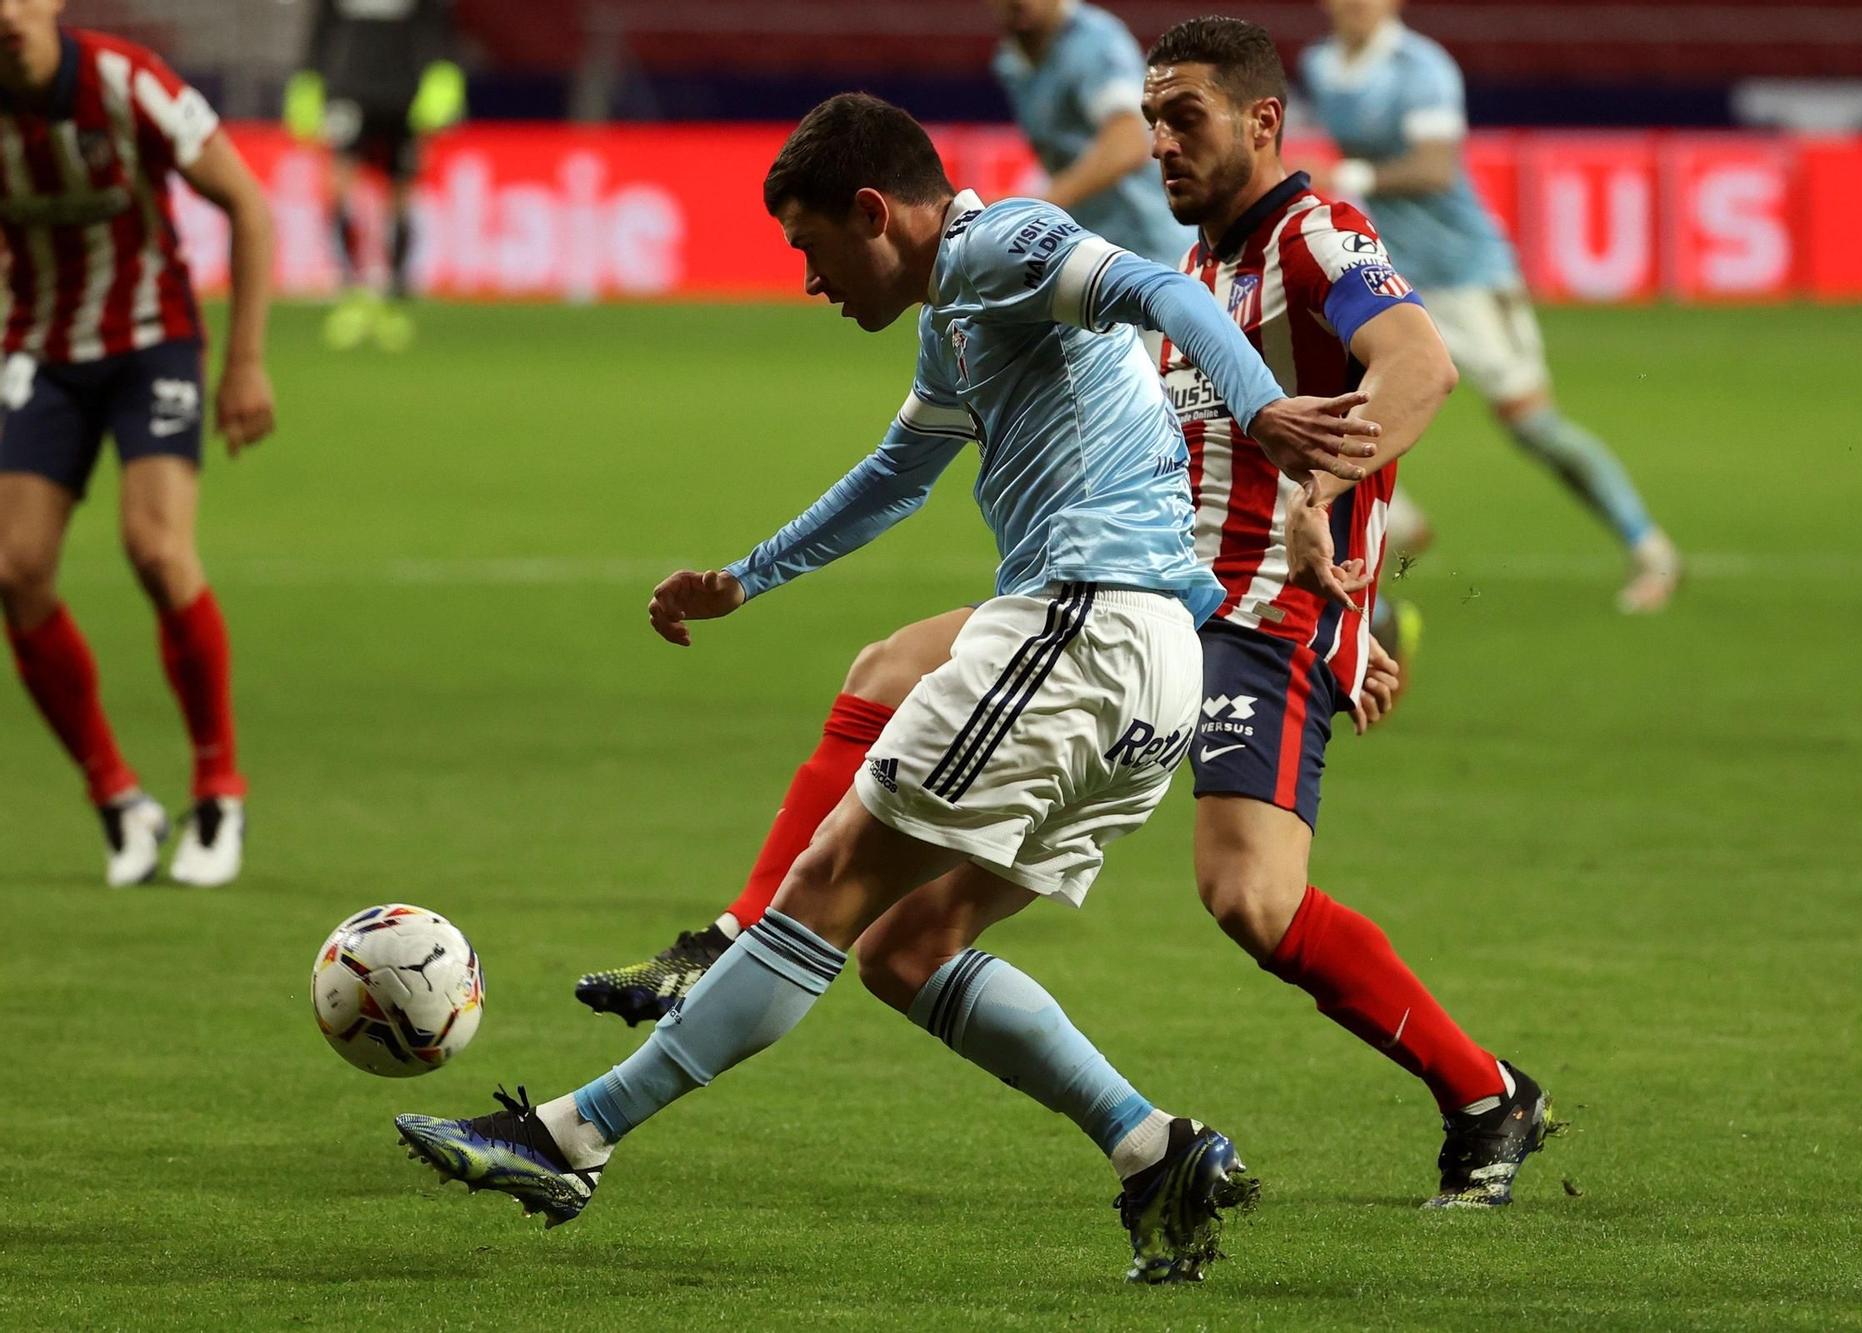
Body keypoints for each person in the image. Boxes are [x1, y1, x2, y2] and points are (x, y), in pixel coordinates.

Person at [394, 92, 1385, 1280]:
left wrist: (1260, 406)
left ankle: (570, 1136)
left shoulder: (1000, 248)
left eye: (810, 249)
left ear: (874, 212)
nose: (811, 283)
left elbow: (1160, 293)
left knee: (825, 882)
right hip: (1144, 667)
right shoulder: (953, 320)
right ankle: (1152, 1147)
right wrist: (745, 578)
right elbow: (895, 475)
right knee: (903, 949)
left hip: (1077, 630)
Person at [574, 18, 1560, 1210]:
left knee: (1249, 899)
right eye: (1148, 119)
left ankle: (1482, 1094)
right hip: (1159, 603)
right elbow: (925, 461)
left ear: (1262, 121)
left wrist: (1326, 500)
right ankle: (746, 940)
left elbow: (1418, 366)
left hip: (1251, 615)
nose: (1154, 143)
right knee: (891, 729)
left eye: (1180, 117)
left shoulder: (1316, 234)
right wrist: (747, 575)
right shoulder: (1206, 273)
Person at [0, 1, 276, 887]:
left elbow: (247, 203)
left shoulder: (128, 82)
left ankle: (217, 791)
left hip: (152, 339)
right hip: (39, 349)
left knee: (156, 550)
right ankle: (118, 797)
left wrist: (244, 362)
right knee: (15, 570)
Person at [1299, 0, 1681, 614]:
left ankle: (1650, 549)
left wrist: (1344, 176)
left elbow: (1434, 168)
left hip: (1465, 275)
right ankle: (1398, 525)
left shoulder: (1423, 67)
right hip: (1386, 269)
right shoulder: (1321, 65)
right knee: (1336, 394)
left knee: (1533, 425)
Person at [284, 0, 463, 351]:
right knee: (339, 187)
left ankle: (395, 290)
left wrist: (443, 74)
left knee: (401, 192)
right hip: (347, 89)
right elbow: (322, 29)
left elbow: (437, 28)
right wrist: (308, 79)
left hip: (404, 93)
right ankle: (350, 285)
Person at [991, 0, 1192, 264]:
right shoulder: (1011, 62)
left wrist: (1041, 205)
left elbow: (1130, 143)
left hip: (1153, 249)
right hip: (1095, 249)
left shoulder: (1095, 42)